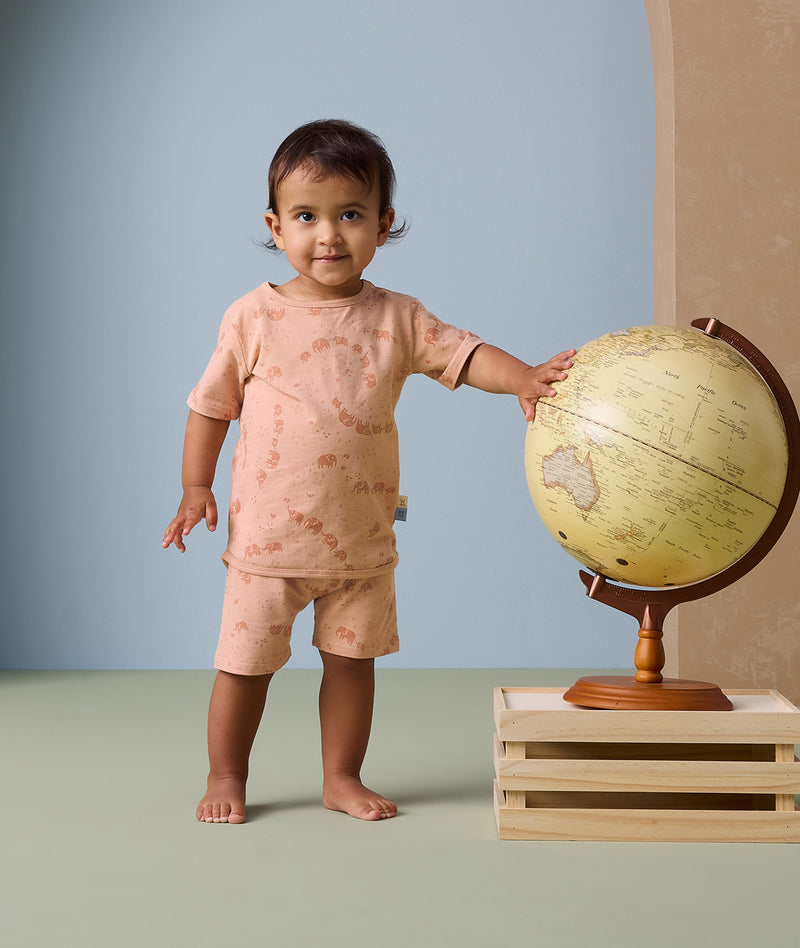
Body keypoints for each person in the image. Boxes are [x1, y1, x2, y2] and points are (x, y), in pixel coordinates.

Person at [162, 119, 574, 824]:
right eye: (307, 217)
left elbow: (466, 355)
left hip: (361, 544)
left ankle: (341, 777)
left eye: (350, 215)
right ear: (275, 224)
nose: (329, 234)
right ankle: (226, 775)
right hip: (267, 546)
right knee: (244, 667)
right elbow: (211, 406)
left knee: (352, 665)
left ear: (383, 225)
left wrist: (524, 379)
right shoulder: (252, 316)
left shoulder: (397, 318)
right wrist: (195, 486)